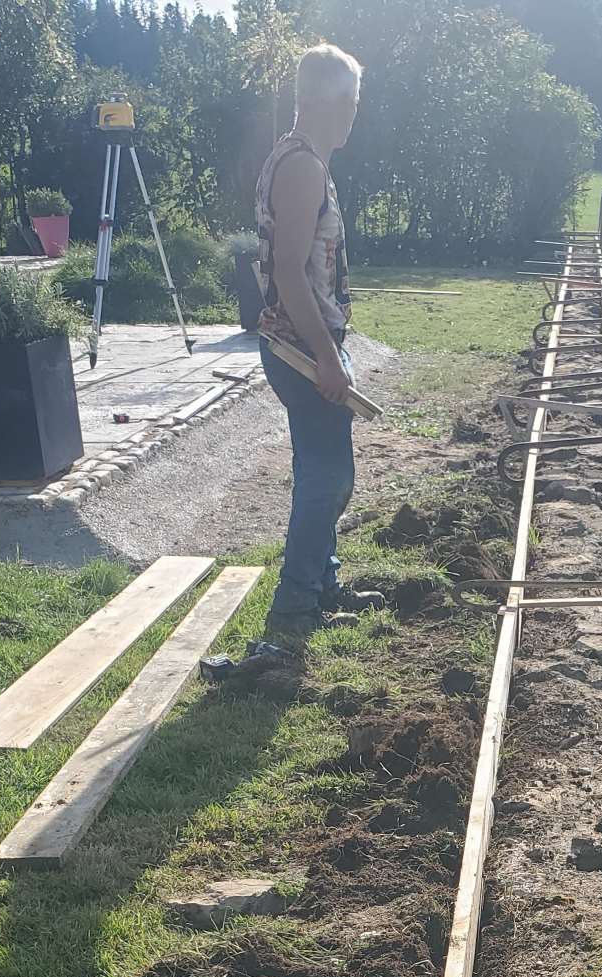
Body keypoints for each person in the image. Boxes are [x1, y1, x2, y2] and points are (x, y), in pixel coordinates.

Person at [254, 44, 383, 645]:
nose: (355, 113)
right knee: (326, 478)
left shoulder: (302, 159)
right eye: (350, 101)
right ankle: (294, 607)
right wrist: (328, 358)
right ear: (324, 100)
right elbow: (288, 272)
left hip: (307, 339)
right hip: (301, 346)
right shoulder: (302, 167)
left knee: (326, 471)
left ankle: (321, 585)